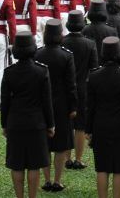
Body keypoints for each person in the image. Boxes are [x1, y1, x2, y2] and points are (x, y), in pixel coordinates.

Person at [1, 32, 54, 198]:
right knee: (34, 165)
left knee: (17, 165)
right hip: (36, 122)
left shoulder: (9, 72)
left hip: (15, 122)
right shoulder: (41, 71)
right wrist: (50, 123)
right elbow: (47, 101)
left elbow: (5, 102)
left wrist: (4, 124)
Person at [86, 37, 120, 198]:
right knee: (119, 168)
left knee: (102, 168)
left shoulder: (94, 75)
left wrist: (88, 129)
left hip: (100, 125)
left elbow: (91, 106)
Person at [35, 20, 77, 193]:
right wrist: (74, 106)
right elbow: (71, 85)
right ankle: (57, 180)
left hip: (41, 104)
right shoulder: (66, 56)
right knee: (60, 145)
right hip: (62, 105)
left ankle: (46, 179)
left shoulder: (37, 54)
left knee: (44, 143)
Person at [61, 11, 98, 171]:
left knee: (66, 123)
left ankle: (67, 158)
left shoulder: (62, 42)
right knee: (80, 125)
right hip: (83, 87)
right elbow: (94, 68)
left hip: (64, 88)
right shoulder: (89, 44)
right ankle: (78, 158)